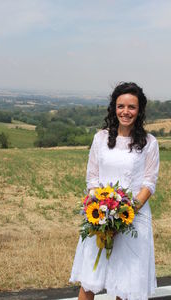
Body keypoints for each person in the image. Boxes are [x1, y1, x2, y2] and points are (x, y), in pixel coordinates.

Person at [70, 82, 159, 300]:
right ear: (114, 108)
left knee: (126, 284)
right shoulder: (100, 138)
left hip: (133, 220)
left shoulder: (150, 143)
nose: (125, 112)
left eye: (131, 107)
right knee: (90, 280)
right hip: (99, 218)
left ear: (139, 111)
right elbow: (92, 177)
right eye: (121, 106)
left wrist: (123, 215)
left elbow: (149, 184)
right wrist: (101, 213)